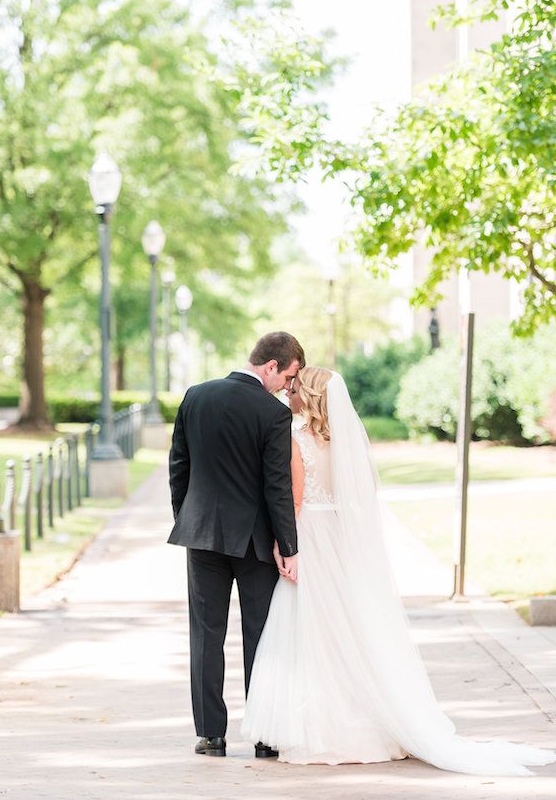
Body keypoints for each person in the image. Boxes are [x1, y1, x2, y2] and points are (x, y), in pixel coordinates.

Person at [242, 366, 556, 776]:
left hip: (312, 541)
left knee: (313, 632)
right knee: (348, 630)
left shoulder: (295, 439)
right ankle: (365, 724)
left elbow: (295, 501)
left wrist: (285, 547)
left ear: (312, 397)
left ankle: (325, 731)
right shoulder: (348, 442)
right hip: (339, 539)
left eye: (297, 387)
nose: (290, 392)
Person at [168, 331, 305, 759]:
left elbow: (179, 468)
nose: (288, 386)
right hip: (255, 543)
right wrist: (289, 545)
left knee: (206, 634)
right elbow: (276, 487)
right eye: (289, 376)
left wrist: (188, 519)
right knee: (260, 637)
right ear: (271, 367)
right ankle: (264, 735)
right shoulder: (273, 413)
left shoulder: (195, 396)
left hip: (202, 536)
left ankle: (210, 735)